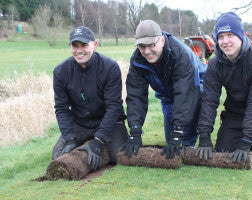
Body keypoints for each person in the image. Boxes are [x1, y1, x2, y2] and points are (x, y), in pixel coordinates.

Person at [195, 12, 252, 163]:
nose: (225, 41)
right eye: (221, 37)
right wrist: (204, 136)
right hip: (236, 112)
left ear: (241, 36)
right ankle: (250, 134)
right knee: (223, 151)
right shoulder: (215, 64)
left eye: (230, 35)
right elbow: (209, 100)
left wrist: (246, 141)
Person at [120, 20, 207, 159]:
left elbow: (185, 93)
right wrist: (135, 131)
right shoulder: (137, 60)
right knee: (169, 138)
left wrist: (178, 131)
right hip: (167, 93)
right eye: (142, 46)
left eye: (151, 45)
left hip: (195, 86)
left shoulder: (180, 54)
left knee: (184, 137)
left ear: (161, 40)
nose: (147, 51)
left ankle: (189, 144)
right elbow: (136, 95)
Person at [52, 26, 128, 171]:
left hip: (109, 122)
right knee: (58, 156)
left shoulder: (110, 67)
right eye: (75, 46)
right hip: (81, 123)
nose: (79, 50)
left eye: (84, 45)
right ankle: (84, 142)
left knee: (118, 155)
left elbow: (113, 107)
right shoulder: (60, 71)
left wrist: (98, 141)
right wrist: (69, 139)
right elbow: (61, 109)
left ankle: (98, 141)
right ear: (70, 47)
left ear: (94, 45)